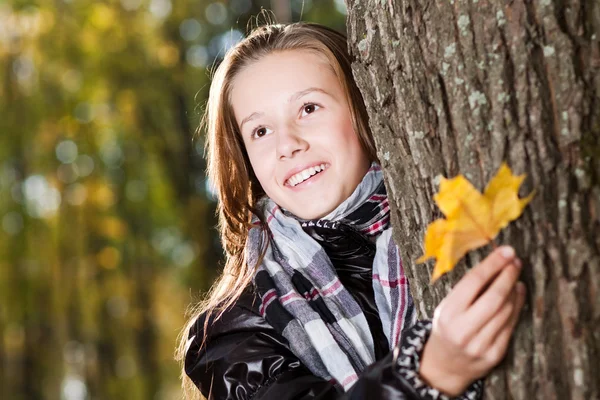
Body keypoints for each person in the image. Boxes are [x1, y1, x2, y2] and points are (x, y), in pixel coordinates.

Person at [176, 22, 526, 400]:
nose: (288, 144)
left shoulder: (459, 216)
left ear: (366, 105)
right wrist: (426, 374)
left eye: (308, 108)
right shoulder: (229, 334)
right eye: (260, 131)